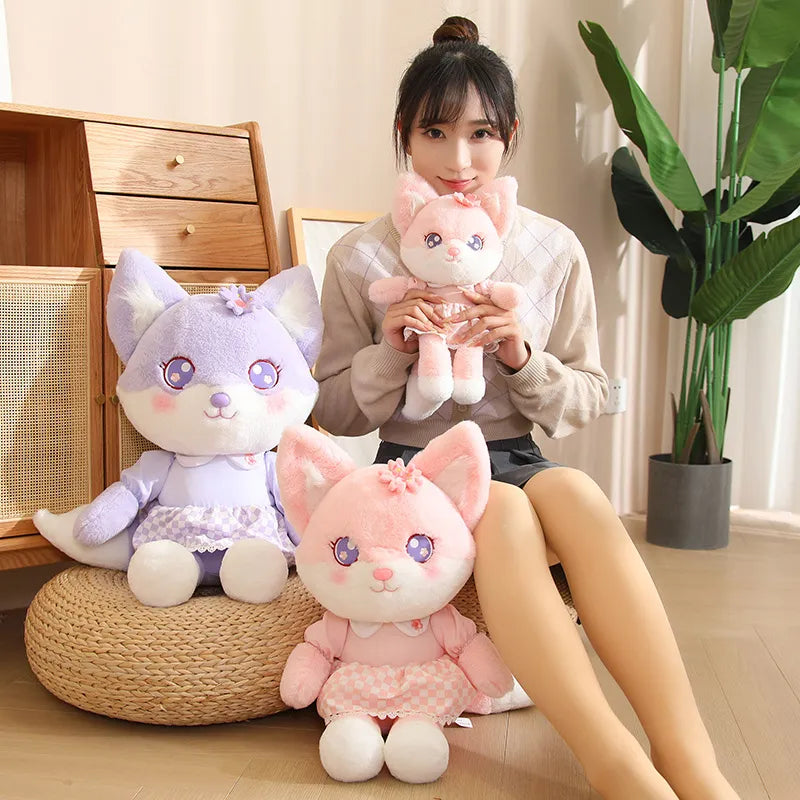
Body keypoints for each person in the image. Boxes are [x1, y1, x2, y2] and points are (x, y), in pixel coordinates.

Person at [313, 15, 739, 800]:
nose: (458, 161)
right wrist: (393, 349)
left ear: (509, 136)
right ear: (404, 136)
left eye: (480, 134)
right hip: (413, 474)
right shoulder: (360, 257)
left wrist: (521, 357)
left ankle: (691, 760)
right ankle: (614, 765)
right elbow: (333, 414)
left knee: (577, 494)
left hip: (517, 454)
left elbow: (587, 394)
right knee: (504, 515)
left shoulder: (552, 248)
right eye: (435, 133)